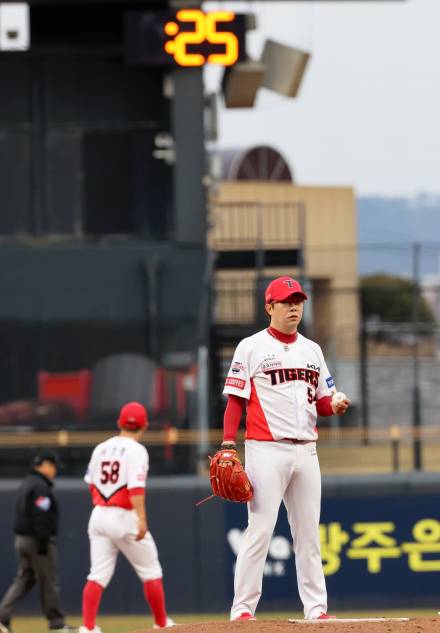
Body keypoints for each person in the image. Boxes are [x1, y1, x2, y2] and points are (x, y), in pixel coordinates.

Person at [221, 275, 350, 622]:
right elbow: (236, 401)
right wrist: (227, 444)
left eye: (298, 301)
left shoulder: (313, 350)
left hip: (306, 451)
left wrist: (334, 406)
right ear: (270, 306)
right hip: (266, 449)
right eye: (286, 301)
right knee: (260, 529)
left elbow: (323, 401)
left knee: (309, 533)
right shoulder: (251, 346)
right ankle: (243, 610)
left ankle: (316, 609)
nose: (294, 306)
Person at [79, 401, 175, 633]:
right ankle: (161, 624)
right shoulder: (137, 450)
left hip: (99, 514)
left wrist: (104, 503)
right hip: (125, 516)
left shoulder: (101, 447)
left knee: (97, 575)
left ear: (119, 423)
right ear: (144, 426)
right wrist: (141, 518)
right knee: (151, 571)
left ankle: (88, 627)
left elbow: (91, 483)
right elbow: (135, 489)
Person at [0, 450, 74, 633]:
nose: (54, 471)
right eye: (53, 466)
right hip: (36, 540)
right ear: (46, 465)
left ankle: (1, 617)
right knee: (49, 580)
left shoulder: (27, 483)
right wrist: (42, 541)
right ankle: (56, 623)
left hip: (22, 539)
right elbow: (41, 516)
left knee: (24, 579)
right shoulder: (40, 486)